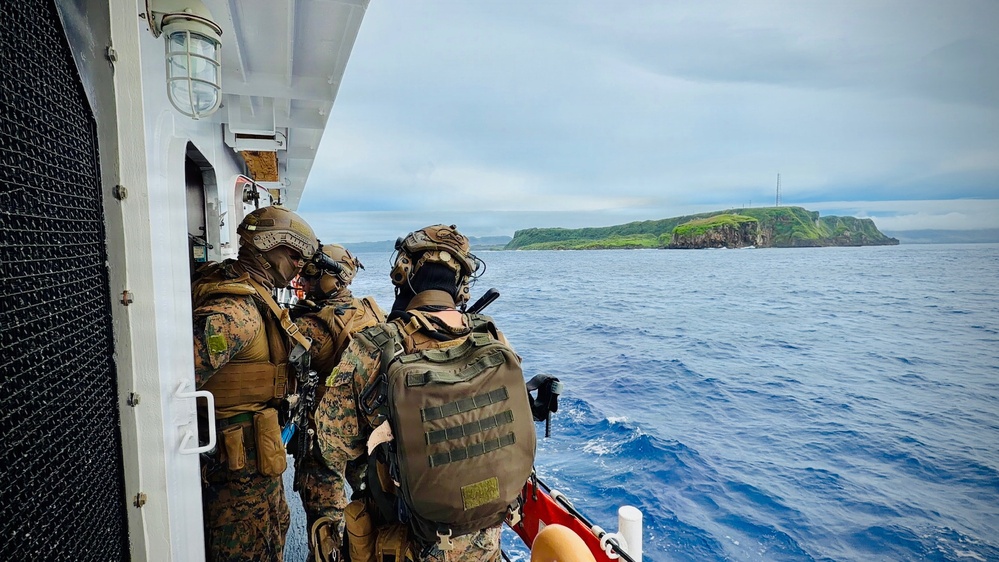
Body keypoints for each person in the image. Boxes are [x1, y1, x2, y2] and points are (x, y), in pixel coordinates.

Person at [314, 224, 531, 562]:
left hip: (409, 539)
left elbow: (333, 446)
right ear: (461, 285)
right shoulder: (493, 338)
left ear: (402, 272)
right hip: (483, 538)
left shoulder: (374, 347)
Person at [191, 204, 318, 562]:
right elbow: (173, 384)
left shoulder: (254, 298)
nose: (299, 266)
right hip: (237, 469)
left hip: (257, 457)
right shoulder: (235, 313)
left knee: (275, 527)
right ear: (266, 245)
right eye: (293, 255)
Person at [291, 243, 387, 558]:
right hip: (371, 430)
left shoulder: (307, 324)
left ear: (331, 278)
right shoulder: (372, 311)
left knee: (324, 513)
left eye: (310, 274)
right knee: (371, 504)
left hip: (325, 433)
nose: (302, 281)